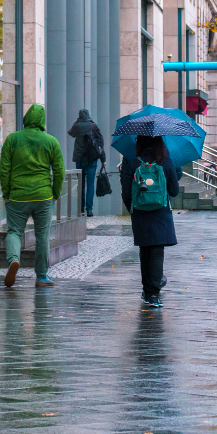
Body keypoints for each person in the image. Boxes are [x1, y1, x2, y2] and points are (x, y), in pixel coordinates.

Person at [0, 104, 65, 288]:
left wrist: (6, 193)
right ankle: (42, 276)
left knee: (14, 231)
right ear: (42, 121)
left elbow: (4, 169)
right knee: (42, 236)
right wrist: (55, 193)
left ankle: (13, 259)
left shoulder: (13, 139)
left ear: (26, 118)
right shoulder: (51, 141)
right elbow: (59, 171)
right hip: (43, 196)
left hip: (17, 196)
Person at [120, 135, 180, 307]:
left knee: (145, 252)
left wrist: (134, 209)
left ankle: (148, 290)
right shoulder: (166, 163)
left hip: (140, 214)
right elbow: (174, 191)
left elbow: (126, 193)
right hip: (160, 214)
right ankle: (153, 293)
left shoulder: (133, 164)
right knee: (156, 252)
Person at [68, 109, 106, 217]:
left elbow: (70, 133)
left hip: (80, 159)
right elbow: (100, 143)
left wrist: (76, 122)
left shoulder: (77, 126)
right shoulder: (93, 125)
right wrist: (103, 159)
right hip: (92, 159)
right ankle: (89, 209)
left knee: (81, 184)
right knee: (90, 184)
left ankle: (80, 209)